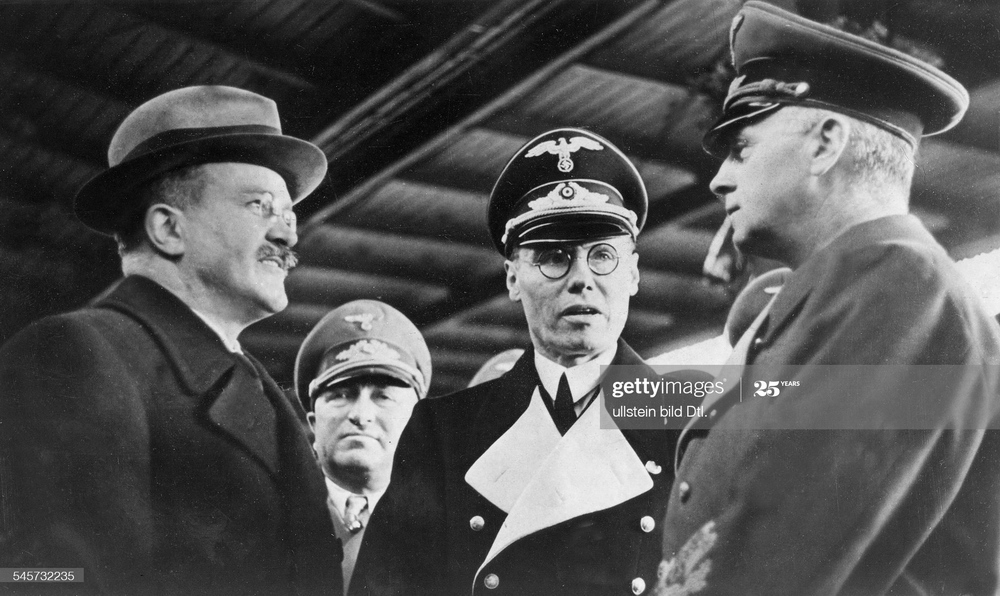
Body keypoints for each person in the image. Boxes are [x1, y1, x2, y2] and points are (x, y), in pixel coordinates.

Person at [657, 4, 1000, 595]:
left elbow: (778, 547)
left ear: (825, 144)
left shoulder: (900, 286)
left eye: (741, 147)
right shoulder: (845, 293)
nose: (718, 179)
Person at [0, 86, 342, 595]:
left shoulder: (253, 381)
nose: (288, 237)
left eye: (288, 216)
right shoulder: (74, 353)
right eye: (260, 206)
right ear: (167, 228)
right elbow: (40, 580)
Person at [350, 127, 675, 596]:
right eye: (553, 257)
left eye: (603, 255)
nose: (581, 279)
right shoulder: (442, 432)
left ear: (634, 274)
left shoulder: (692, 413)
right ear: (512, 278)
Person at [294, 299, 432, 594]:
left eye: (383, 397)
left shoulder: (446, 526)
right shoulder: (272, 513)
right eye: (342, 395)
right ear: (314, 423)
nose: (361, 414)